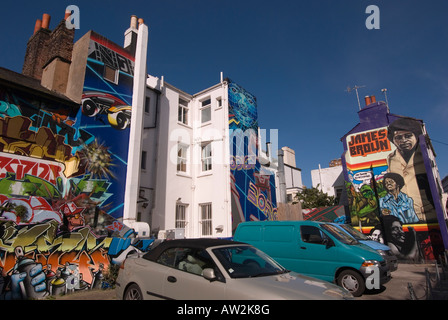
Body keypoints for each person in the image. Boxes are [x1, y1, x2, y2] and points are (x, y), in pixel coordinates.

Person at [386, 118, 435, 222]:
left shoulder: (422, 154)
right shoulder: (391, 158)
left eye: (408, 136)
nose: (404, 140)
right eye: (398, 137)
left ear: (416, 136)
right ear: (393, 140)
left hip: (429, 214)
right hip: (405, 216)